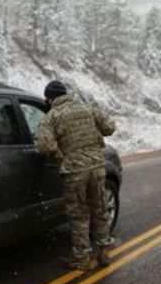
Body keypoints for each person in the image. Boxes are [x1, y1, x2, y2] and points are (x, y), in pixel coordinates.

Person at [36, 80, 116, 271]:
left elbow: (44, 146)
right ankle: (103, 253)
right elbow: (109, 128)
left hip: (75, 172)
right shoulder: (87, 108)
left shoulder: (52, 116)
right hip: (97, 167)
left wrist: (60, 157)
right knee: (99, 209)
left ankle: (82, 258)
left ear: (49, 98)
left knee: (79, 214)